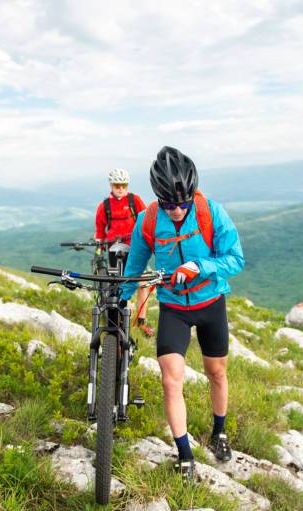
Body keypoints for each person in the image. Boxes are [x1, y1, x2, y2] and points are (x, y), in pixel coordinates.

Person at [120, 147, 245, 482]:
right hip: (174, 308)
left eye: (182, 203)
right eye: (168, 203)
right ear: (158, 197)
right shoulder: (148, 219)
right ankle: (185, 454)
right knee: (170, 378)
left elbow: (235, 259)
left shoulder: (210, 213)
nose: (176, 211)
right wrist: (122, 298)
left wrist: (199, 265)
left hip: (210, 303)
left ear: (192, 195)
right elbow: (135, 263)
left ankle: (219, 431)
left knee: (216, 373)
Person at [94, 168, 155, 337]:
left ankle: (141, 322)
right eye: (116, 185)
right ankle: (117, 319)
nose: (120, 188)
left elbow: (147, 218)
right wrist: (99, 244)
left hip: (136, 248)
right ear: (111, 185)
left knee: (142, 283)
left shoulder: (135, 200)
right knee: (117, 284)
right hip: (114, 248)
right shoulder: (105, 205)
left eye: (123, 185)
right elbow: (100, 229)